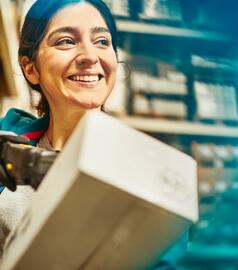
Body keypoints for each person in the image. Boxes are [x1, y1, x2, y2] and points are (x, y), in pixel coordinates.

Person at [0, 0, 186, 268]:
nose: (89, 55)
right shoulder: (9, 140)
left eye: (102, 41)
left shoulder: (150, 173)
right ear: (31, 68)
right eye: (65, 41)